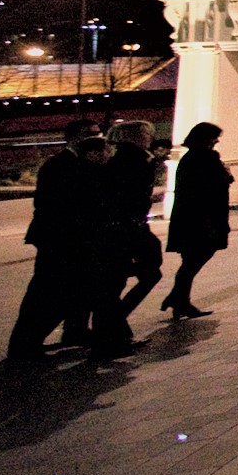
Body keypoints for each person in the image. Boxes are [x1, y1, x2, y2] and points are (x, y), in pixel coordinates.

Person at [5, 119, 102, 362]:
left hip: (71, 238)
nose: (97, 137)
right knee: (47, 292)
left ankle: (74, 330)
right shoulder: (60, 164)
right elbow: (56, 205)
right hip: (58, 239)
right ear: (75, 137)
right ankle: (24, 344)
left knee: (75, 287)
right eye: (91, 133)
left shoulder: (78, 162)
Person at [97, 121, 167, 354]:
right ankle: (110, 333)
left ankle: (114, 330)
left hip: (123, 227)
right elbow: (129, 196)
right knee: (134, 277)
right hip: (127, 229)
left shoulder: (119, 158)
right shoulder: (137, 159)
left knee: (117, 283)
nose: (150, 137)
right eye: (147, 133)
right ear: (135, 136)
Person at [161, 122, 232, 318]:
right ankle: (179, 298)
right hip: (203, 217)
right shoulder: (207, 157)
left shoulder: (189, 158)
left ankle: (179, 299)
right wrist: (226, 175)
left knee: (191, 260)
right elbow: (216, 184)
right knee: (196, 257)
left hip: (187, 216)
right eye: (214, 137)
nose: (217, 141)